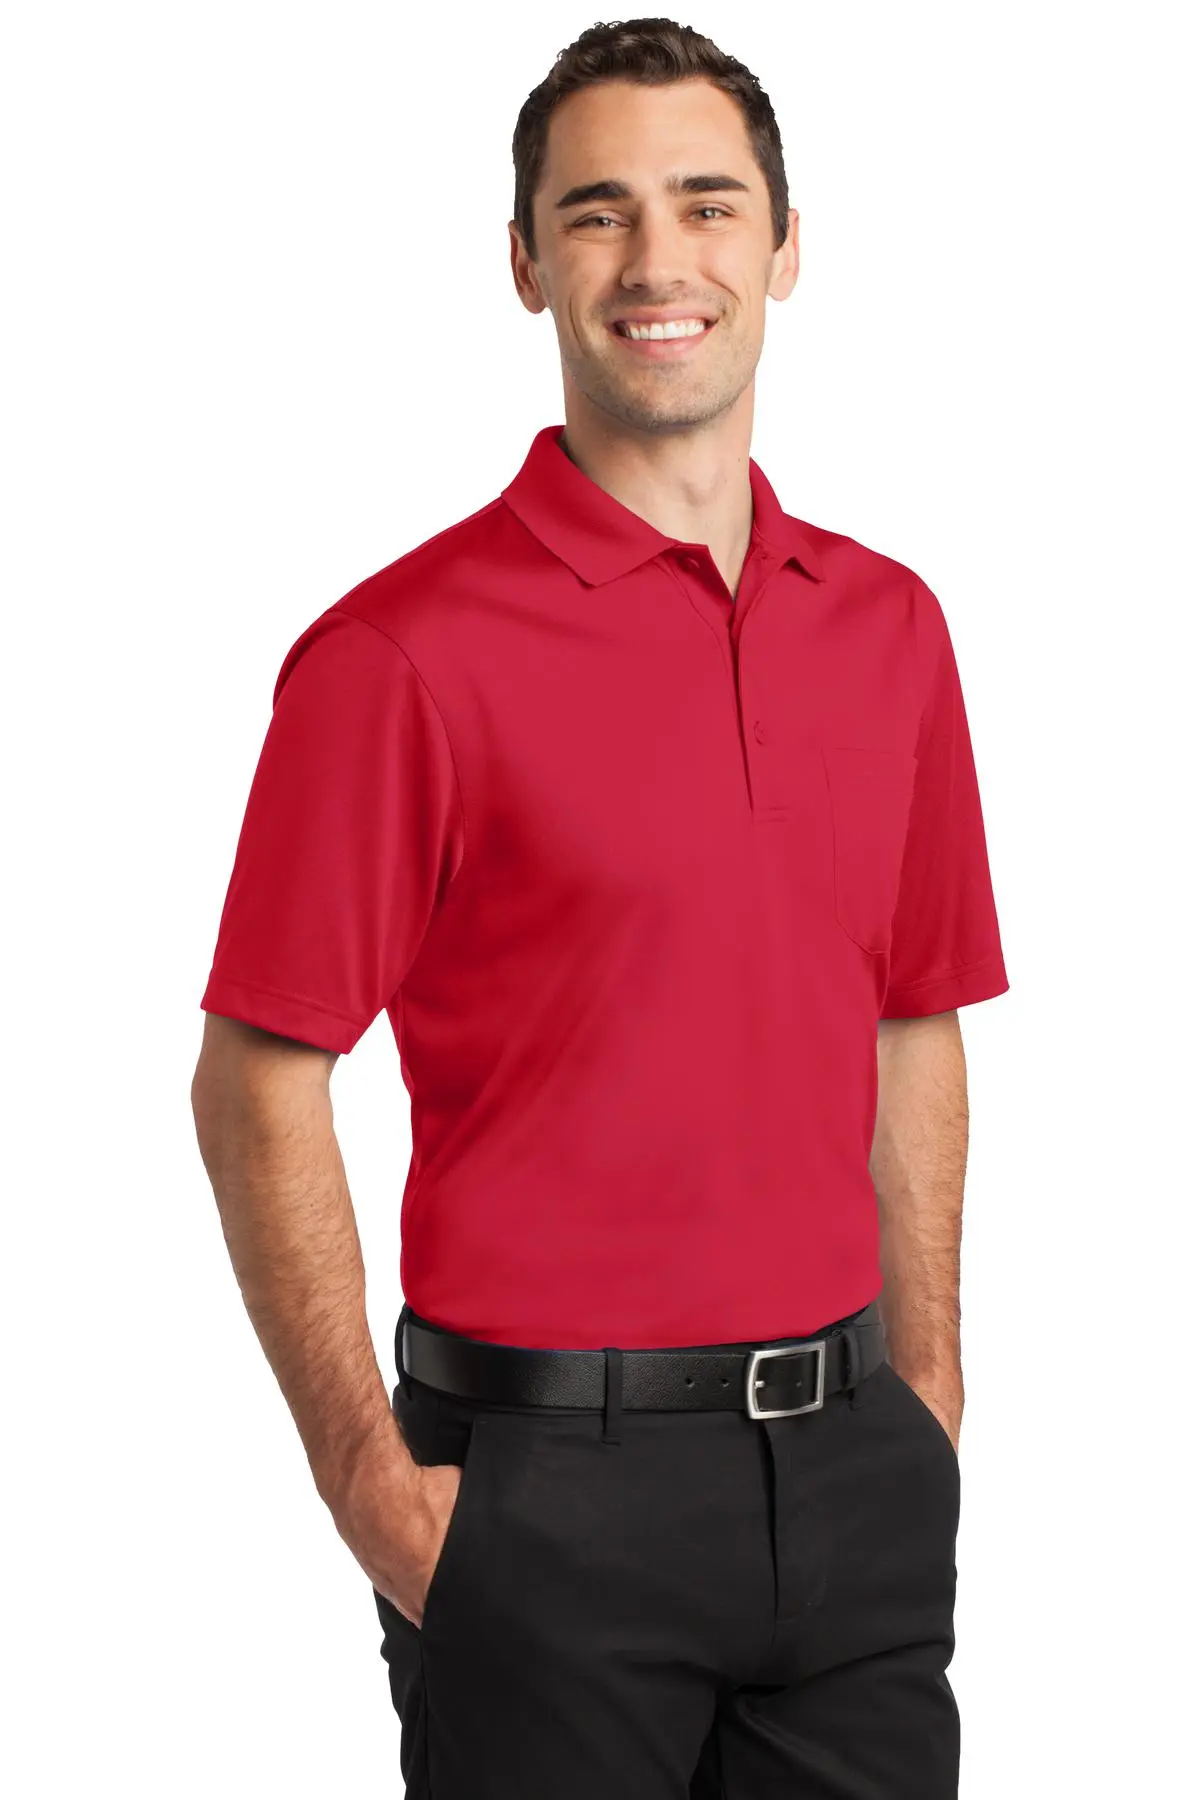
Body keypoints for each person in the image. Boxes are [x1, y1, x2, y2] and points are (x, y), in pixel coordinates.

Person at [191, 17, 1009, 1798]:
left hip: (856, 1485)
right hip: (542, 1491)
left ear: (785, 249)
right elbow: (257, 1074)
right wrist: (367, 1482)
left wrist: (930, 1397)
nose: (658, 261)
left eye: (709, 206)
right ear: (524, 262)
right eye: (597, 212)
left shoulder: (891, 629)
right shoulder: (399, 655)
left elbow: (914, 1015)